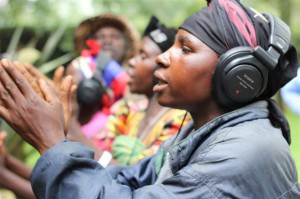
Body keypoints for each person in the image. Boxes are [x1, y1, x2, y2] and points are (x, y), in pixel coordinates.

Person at [0, 0, 299, 198]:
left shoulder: (239, 155)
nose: (162, 58)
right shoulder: (202, 133)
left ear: (236, 76)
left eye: (185, 48)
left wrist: (52, 141)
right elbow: (122, 182)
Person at [91, 16, 190, 166]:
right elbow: (98, 145)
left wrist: (71, 126)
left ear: (164, 65)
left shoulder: (180, 121)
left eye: (143, 56)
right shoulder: (128, 109)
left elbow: (142, 174)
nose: (131, 61)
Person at [66, 13, 140, 139]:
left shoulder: (134, 74)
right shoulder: (80, 66)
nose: (107, 41)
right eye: (101, 37)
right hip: (77, 137)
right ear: (91, 42)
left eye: (115, 37)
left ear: (126, 44)